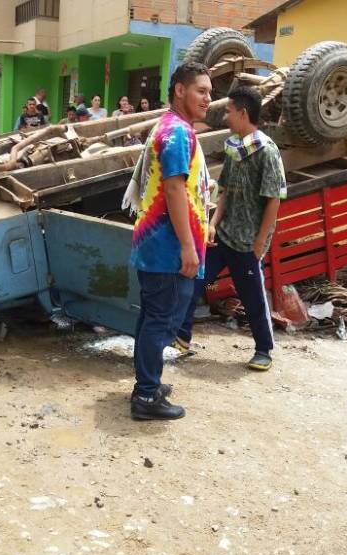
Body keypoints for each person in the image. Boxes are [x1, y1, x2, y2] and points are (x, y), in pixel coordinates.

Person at [124, 62, 212, 420]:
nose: (208, 98)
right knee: (163, 319)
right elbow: (174, 188)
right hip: (168, 248)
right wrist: (189, 246)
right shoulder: (177, 133)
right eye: (201, 91)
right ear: (180, 90)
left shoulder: (169, 126)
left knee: (153, 317)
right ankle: (146, 396)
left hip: (157, 243)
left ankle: (147, 384)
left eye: (209, 92)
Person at [176, 86, 287, 371]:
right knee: (196, 281)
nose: (225, 116)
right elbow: (224, 190)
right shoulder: (236, 148)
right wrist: (213, 223)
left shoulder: (266, 152)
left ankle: (263, 350)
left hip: (247, 242)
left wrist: (260, 241)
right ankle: (181, 337)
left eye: (228, 111)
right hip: (223, 236)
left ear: (243, 113)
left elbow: (273, 200)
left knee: (252, 297)